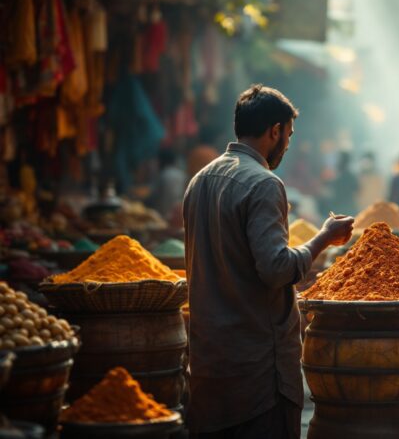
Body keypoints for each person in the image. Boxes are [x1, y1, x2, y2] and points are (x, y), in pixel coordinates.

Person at [182, 84, 354, 439]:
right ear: (274, 131)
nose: (287, 146)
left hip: (208, 362)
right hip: (257, 368)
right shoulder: (264, 184)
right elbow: (276, 269)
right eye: (287, 136)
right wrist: (324, 237)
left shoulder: (199, 181)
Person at [148, 148, 186, 219]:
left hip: (161, 215)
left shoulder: (163, 175)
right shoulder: (182, 174)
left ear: (161, 161)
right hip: (178, 214)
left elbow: (153, 196)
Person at [327, 151, 359, 216]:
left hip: (340, 208)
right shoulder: (351, 176)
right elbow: (357, 189)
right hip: (349, 207)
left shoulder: (338, 177)